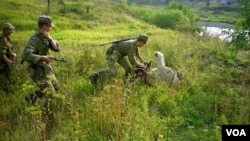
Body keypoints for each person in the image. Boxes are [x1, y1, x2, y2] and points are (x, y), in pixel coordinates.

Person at [21, 15, 60, 140]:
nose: (50, 28)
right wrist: (43, 57)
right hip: (37, 70)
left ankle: (31, 97)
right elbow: (26, 54)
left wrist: (50, 39)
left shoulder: (46, 37)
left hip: (46, 69)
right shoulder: (34, 39)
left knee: (56, 87)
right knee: (50, 95)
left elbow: (56, 49)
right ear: (43, 26)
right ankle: (46, 120)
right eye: (49, 26)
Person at [0, 23, 16, 93]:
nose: (12, 31)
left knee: (7, 79)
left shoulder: (6, 38)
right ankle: (7, 93)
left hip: (5, 63)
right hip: (3, 64)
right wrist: (8, 61)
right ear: (5, 30)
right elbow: (1, 53)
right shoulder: (3, 39)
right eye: (10, 30)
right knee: (6, 79)